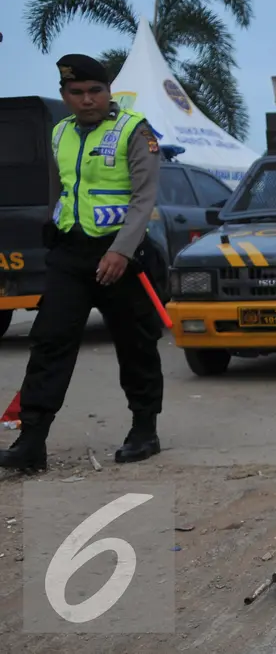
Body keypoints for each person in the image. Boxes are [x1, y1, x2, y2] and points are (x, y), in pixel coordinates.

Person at [0, 54, 164, 471]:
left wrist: (121, 251)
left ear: (108, 92)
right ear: (65, 95)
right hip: (71, 256)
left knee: (135, 343)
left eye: (95, 91)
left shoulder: (134, 130)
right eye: (77, 92)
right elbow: (62, 191)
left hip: (120, 256)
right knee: (49, 343)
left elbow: (144, 199)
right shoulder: (60, 134)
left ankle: (144, 430)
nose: (87, 99)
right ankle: (31, 442)